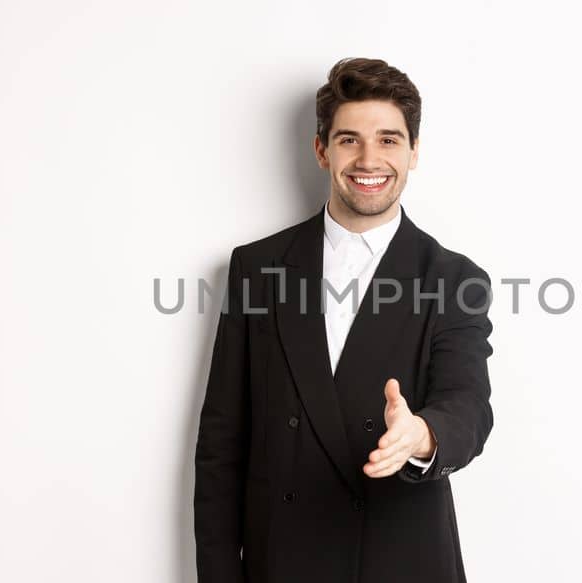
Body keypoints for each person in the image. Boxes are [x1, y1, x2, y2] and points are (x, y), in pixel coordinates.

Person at [193, 57, 495, 583]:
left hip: (401, 559)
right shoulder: (257, 269)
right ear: (321, 149)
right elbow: (221, 443)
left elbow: (467, 403)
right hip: (281, 561)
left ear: (414, 152)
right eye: (350, 139)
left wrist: (423, 435)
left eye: (389, 139)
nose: (369, 158)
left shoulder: (454, 277)